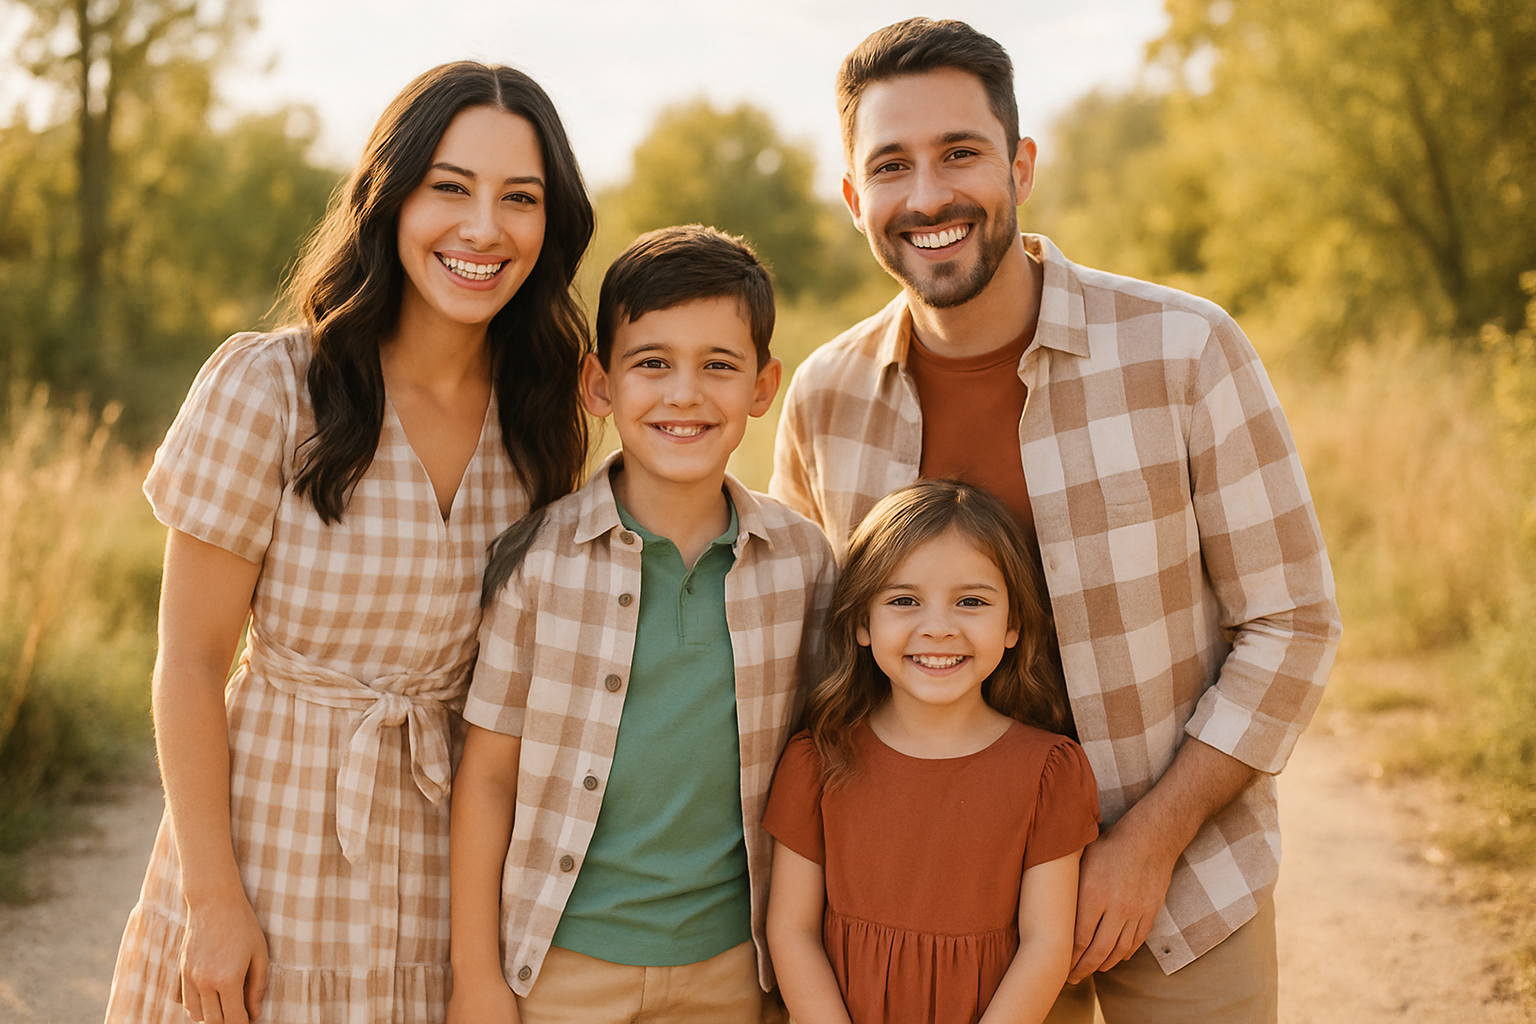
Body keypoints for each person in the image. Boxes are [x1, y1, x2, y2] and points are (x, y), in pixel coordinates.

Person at [770, 18, 1342, 1024]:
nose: (929, 195)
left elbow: (1292, 622)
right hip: (937, 922)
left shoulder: (1184, 351)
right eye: (892, 166)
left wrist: (1147, 843)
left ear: (1020, 166)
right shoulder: (827, 397)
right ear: (857, 198)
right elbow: (810, 660)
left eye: (961, 154)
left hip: (1177, 891)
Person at [105, 61, 595, 1024]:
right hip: (268, 855)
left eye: (520, 199)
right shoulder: (273, 388)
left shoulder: (542, 420)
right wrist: (213, 901)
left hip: (441, 884)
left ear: (552, 224)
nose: (483, 228)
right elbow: (192, 663)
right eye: (448, 188)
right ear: (391, 198)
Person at [447, 225, 836, 1024]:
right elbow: (487, 777)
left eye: (718, 366)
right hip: (560, 967)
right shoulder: (540, 560)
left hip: (733, 967)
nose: (684, 394)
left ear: (763, 388)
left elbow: (822, 772)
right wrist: (476, 979)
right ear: (600, 383)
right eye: (651, 363)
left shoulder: (803, 562)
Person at [764, 480, 1100, 1024]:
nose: (939, 628)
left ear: (1013, 624)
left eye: (971, 602)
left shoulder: (1049, 771)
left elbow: (1046, 943)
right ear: (861, 624)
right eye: (904, 601)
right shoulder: (817, 762)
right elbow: (792, 930)